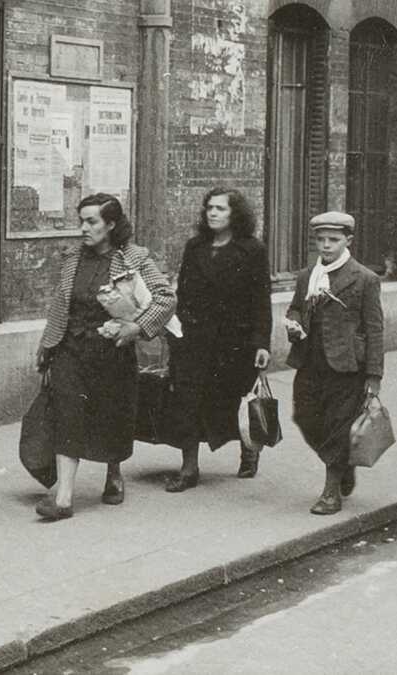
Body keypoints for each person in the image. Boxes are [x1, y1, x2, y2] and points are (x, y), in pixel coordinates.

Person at [34, 194, 176, 521]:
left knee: (111, 415)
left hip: (110, 351)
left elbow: (165, 299)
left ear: (110, 224)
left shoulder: (133, 258)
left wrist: (136, 328)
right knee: (67, 412)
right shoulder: (72, 258)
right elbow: (61, 305)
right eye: (81, 220)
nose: (83, 228)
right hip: (71, 349)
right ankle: (64, 498)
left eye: (91, 221)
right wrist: (47, 344)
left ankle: (113, 472)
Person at [166, 187, 272, 492]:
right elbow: (183, 294)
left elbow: (261, 300)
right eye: (210, 207)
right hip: (194, 338)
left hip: (234, 341)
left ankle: (249, 449)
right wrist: (177, 332)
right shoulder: (195, 247)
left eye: (221, 209)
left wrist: (262, 342)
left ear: (235, 214)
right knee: (188, 399)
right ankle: (189, 468)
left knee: (235, 397)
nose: (213, 213)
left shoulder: (252, 250)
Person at [285, 211, 384, 515]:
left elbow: (374, 327)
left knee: (338, 426)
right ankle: (344, 465)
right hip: (310, 362)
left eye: (333, 240)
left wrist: (374, 375)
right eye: (321, 240)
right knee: (305, 417)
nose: (326, 246)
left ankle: (331, 491)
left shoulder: (364, 278)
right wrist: (294, 323)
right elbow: (296, 309)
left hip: (346, 366)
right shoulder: (307, 277)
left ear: (348, 241)